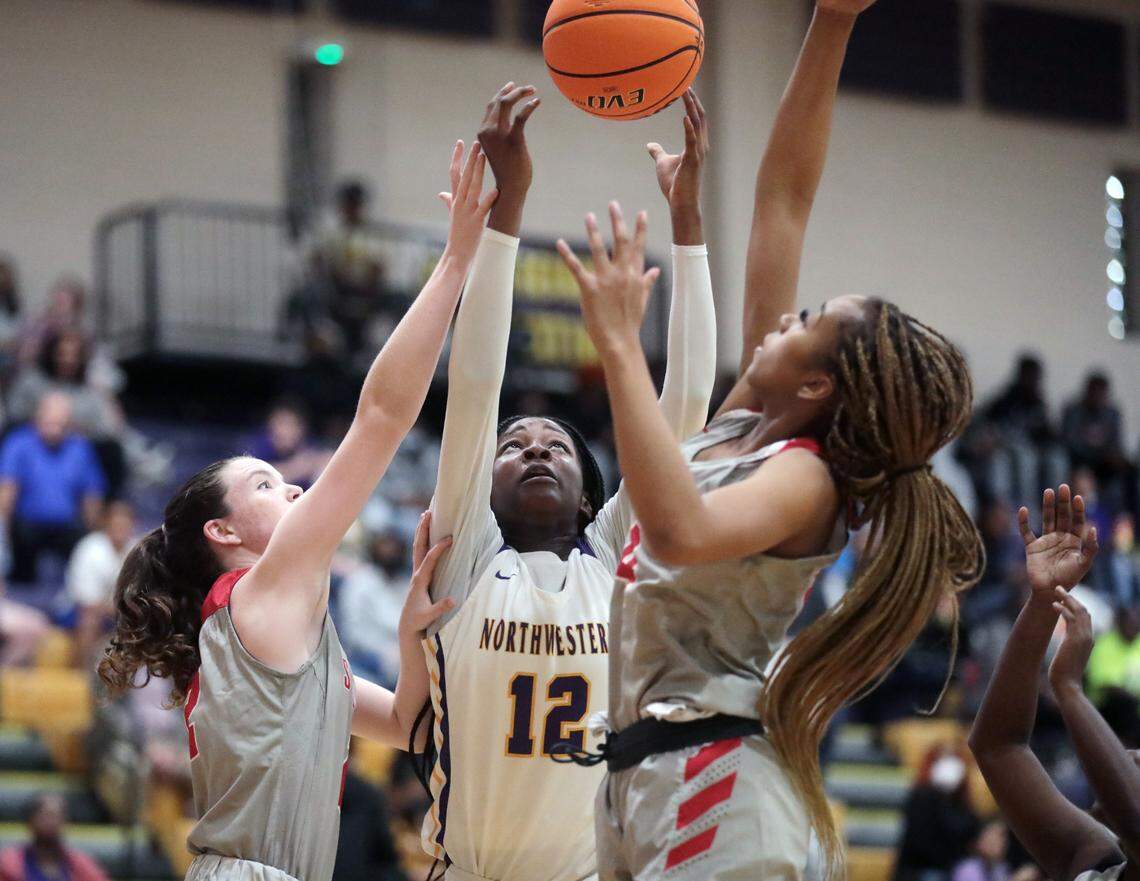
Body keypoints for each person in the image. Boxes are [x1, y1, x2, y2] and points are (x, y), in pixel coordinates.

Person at [557, 2, 985, 878]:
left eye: (806, 321)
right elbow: (783, 202)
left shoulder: (808, 480)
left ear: (817, 384)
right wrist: (831, 22)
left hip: (717, 777)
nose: (783, 319)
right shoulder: (752, 427)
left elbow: (679, 531)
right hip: (643, 771)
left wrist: (618, 349)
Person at [96, 140, 498, 881]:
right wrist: (455, 264)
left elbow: (411, 724)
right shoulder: (255, 593)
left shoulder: (284, 633)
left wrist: (411, 634)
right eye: (264, 485)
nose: (290, 489)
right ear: (223, 532)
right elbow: (380, 415)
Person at [419, 83, 716, 881]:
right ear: (485, 482)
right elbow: (476, 386)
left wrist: (688, 225)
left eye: (557, 443)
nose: (538, 448)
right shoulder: (466, 551)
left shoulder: (611, 554)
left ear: (591, 496)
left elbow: (684, 408)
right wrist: (510, 203)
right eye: (515, 445)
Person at [969, 484, 1139, 881]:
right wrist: (1044, 602)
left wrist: (1069, 690)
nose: (1131, 754)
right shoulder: (1096, 858)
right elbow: (997, 746)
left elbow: (1135, 817)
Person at [0, 393, 106, 585]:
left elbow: (92, 495)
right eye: (50, 423)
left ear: (69, 424)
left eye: (61, 424)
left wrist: (94, 537)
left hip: (67, 528)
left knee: (87, 547)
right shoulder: (18, 443)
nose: (55, 430)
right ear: (37, 418)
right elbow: (7, 491)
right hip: (25, 528)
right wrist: (3, 534)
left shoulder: (80, 448)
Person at [892, 744, 981, 881]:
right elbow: (920, 843)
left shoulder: (963, 803)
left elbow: (970, 834)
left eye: (953, 759)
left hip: (953, 870)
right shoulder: (921, 797)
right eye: (942, 759)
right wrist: (939, 796)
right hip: (919, 871)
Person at [66, 499, 136, 666]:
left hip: (123, 611)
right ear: (106, 524)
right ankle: (83, 674)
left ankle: (137, 682)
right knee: (89, 618)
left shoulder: (137, 549)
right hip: (77, 610)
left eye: (124, 525)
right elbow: (87, 600)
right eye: (116, 525)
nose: (120, 530)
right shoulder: (89, 549)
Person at [0, 794, 109, 881]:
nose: (52, 822)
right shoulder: (8, 864)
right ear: (30, 821)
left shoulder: (82, 864)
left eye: (57, 817)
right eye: (46, 816)